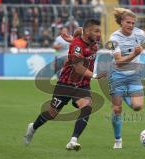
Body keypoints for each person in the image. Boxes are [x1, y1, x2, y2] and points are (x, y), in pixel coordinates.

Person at [24, 19, 106, 151]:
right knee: (52, 114)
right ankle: (33, 127)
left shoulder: (92, 41)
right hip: (65, 84)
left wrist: (72, 37)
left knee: (86, 107)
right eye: (96, 31)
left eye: (99, 31)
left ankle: (73, 141)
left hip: (82, 85)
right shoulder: (77, 45)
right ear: (88, 32)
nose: (99, 34)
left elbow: (80, 30)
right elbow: (78, 68)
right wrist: (95, 75)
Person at [108, 7, 145, 149]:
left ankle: (123, 95)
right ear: (121, 22)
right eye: (128, 22)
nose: (131, 25)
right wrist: (135, 55)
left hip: (134, 75)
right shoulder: (113, 39)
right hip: (117, 75)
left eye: (133, 23)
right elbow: (118, 61)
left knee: (138, 107)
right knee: (117, 110)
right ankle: (118, 140)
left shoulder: (139, 33)